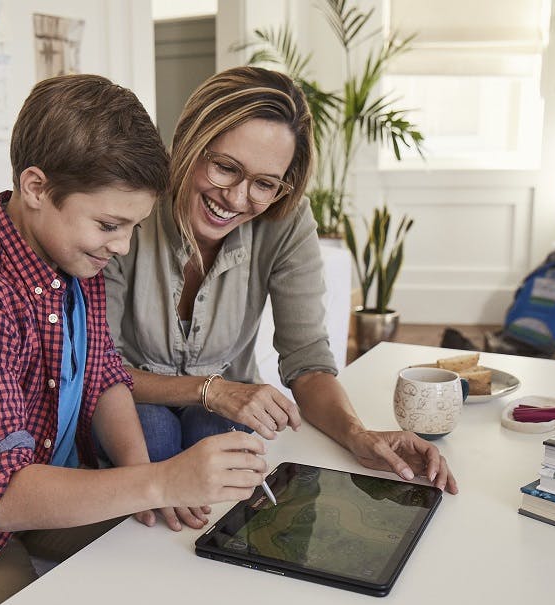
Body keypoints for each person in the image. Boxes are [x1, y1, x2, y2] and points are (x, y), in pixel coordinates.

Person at [0, 74, 268, 605]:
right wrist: (161, 481)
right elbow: (2, 496)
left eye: (132, 227)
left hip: (51, 481)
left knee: (185, 565)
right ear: (35, 188)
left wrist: (141, 472)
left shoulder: (76, 260)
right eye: (109, 224)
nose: (122, 245)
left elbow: (104, 375)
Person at [104, 66, 458, 495]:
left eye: (264, 184)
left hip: (219, 409)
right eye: (225, 167)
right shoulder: (129, 205)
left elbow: (307, 361)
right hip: (126, 395)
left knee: (214, 430)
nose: (236, 198)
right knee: (155, 429)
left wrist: (356, 435)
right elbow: (97, 370)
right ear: (189, 143)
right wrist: (212, 390)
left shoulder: (286, 220)